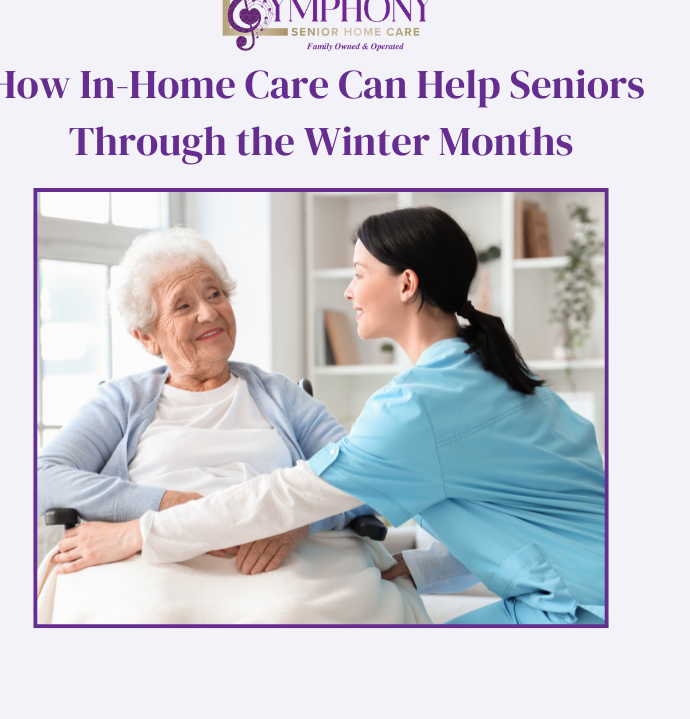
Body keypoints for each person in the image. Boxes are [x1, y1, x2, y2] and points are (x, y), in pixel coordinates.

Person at [56, 208, 606, 625]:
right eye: (182, 305)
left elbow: (289, 496)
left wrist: (140, 531)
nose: (348, 290)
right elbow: (514, 517)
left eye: (359, 272)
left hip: (574, 608)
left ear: (407, 284)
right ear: (145, 337)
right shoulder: (496, 375)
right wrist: (418, 568)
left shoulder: (416, 406)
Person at [37, 227, 429, 624]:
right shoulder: (121, 401)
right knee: (149, 615)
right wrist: (166, 505)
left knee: (292, 612)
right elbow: (45, 477)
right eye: (182, 306)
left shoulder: (282, 395)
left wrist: (298, 519)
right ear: (146, 336)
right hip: (155, 561)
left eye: (214, 294)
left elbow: (363, 480)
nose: (208, 313)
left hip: (278, 561)